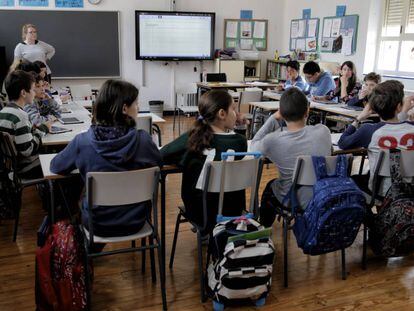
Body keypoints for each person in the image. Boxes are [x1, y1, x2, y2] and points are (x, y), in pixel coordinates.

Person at [50, 79, 162, 238]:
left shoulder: (82, 142)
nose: (138, 108)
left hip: (97, 224)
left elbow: (56, 166)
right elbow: (159, 164)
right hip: (136, 221)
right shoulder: (143, 140)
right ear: (124, 108)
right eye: (136, 104)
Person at [161, 89, 247, 233]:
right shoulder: (240, 142)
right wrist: (241, 126)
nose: (237, 114)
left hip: (200, 213)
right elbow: (236, 141)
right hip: (233, 212)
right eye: (234, 109)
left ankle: (206, 234)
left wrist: (184, 161)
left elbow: (162, 154)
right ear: (222, 114)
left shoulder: (192, 139)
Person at [250, 87, 332, 227]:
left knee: (270, 187)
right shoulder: (323, 131)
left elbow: (253, 146)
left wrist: (272, 118)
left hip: (293, 200)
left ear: (281, 113)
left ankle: (263, 230)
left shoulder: (273, 140)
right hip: (322, 195)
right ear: (307, 111)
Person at [338, 80, 414, 194]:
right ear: (399, 107)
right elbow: (400, 126)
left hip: (380, 191)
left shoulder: (369, 130)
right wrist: (403, 113)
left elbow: (343, 143)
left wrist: (358, 119)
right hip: (410, 190)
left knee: (354, 178)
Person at [0, 70, 50, 178]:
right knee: (55, 157)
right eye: (32, 90)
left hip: (10, 167)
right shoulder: (20, 115)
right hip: (25, 167)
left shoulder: (3, 112)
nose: (34, 93)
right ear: (23, 93)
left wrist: (34, 131)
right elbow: (27, 150)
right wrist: (43, 129)